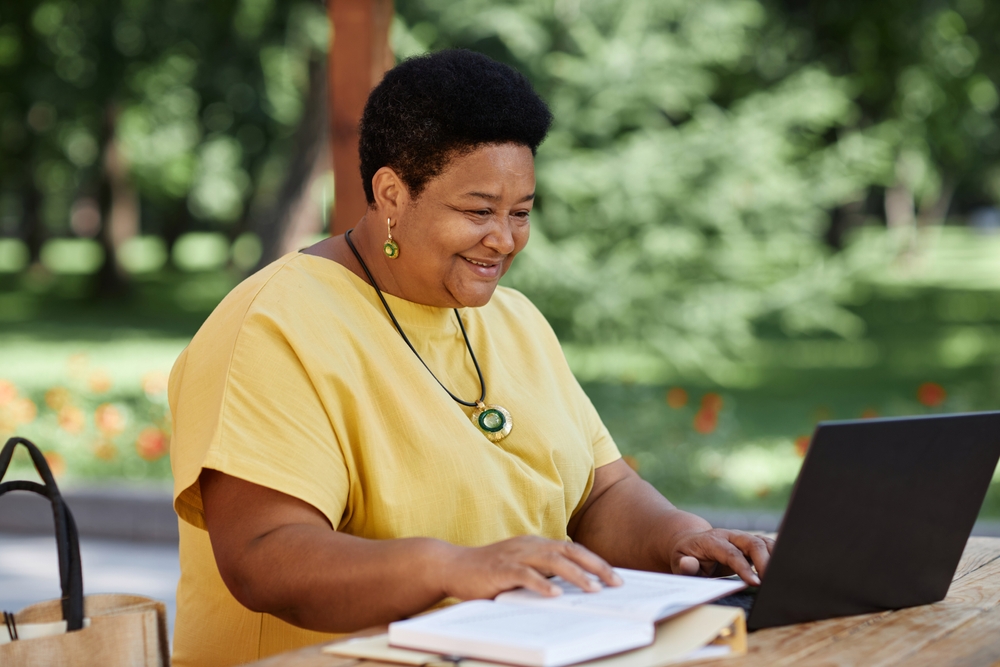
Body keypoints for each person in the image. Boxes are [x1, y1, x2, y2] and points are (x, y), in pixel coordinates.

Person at [168, 49, 774, 667]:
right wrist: (454, 569)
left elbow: (599, 494)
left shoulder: (515, 320)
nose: (505, 240)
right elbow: (265, 558)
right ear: (391, 194)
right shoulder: (274, 324)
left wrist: (682, 539)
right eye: (478, 211)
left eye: (521, 213)